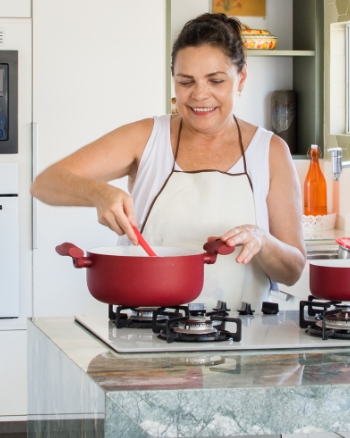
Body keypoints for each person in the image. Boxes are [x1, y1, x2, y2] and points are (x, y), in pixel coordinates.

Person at [30, 13, 306, 310]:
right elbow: (44, 184)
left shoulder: (270, 151)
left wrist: (262, 240)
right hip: (148, 333)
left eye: (215, 80)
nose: (200, 95)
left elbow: (292, 271)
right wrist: (97, 192)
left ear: (242, 77)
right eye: (186, 81)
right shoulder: (148, 137)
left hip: (243, 340)